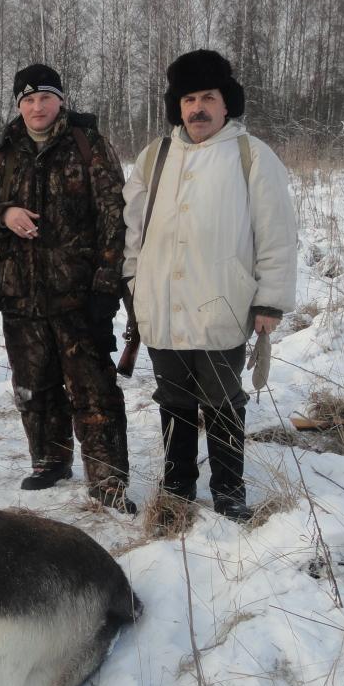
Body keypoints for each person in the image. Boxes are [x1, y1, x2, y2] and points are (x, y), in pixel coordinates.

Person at [121, 49, 298, 521]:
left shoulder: (251, 156)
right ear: (177, 107)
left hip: (223, 306)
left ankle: (228, 489)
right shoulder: (155, 156)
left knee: (222, 401)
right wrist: (136, 283)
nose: (196, 108)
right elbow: (131, 229)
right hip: (160, 303)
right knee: (173, 399)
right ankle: (178, 485)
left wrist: (271, 302)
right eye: (188, 99)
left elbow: (277, 233)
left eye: (207, 98)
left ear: (226, 104)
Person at [0, 64, 132, 510]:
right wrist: (4, 214)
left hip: (79, 295)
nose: (36, 107)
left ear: (60, 100)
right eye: (27, 99)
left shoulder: (87, 144)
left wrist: (106, 286)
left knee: (94, 390)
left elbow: (116, 217)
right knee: (34, 386)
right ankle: (50, 460)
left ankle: (108, 480)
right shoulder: (2, 151)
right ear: (18, 105)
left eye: (44, 98)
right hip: (20, 296)